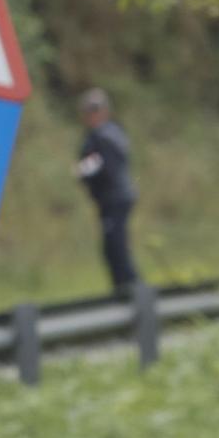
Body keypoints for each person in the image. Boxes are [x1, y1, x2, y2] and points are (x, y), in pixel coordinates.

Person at [74, 88, 139, 294]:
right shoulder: (108, 133)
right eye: (89, 111)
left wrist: (84, 171)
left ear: (103, 112)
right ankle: (124, 289)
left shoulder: (104, 136)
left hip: (115, 198)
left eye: (95, 110)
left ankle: (132, 290)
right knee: (113, 246)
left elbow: (105, 168)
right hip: (114, 198)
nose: (91, 116)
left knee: (115, 247)